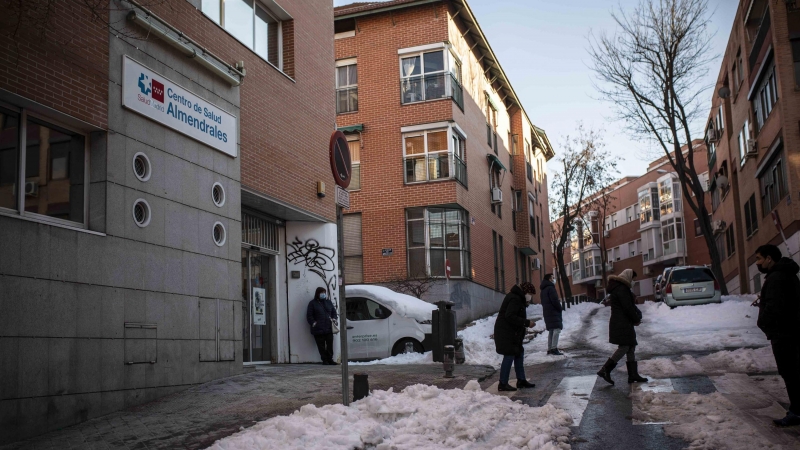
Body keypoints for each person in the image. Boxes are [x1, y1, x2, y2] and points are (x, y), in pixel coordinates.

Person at [752, 244, 800, 427]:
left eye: (759, 258)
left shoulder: (777, 278)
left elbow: (775, 307)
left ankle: (796, 412)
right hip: (790, 330)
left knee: (790, 373)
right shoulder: (787, 274)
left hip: (784, 333)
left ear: (769, 258)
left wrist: (762, 322)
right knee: (793, 372)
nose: (758, 262)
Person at [597, 269, 648, 385]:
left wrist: (636, 316)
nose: (634, 281)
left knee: (630, 346)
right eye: (633, 279)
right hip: (621, 323)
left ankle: (633, 375)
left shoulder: (620, 288)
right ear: (628, 277)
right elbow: (627, 307)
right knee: (625, 346)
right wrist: (635, 319)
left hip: (622, 322)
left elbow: (630, 306)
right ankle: (605, 369)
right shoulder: (622, 289)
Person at [494, 281, 538, 391]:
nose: (530, 297)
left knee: (519, 353)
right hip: (506, 332)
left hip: (512, 332)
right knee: (509, 354)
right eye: (530, 294)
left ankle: (521, 380)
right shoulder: (515, 298)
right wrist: (526, 323)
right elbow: (510, 316)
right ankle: (503, 383)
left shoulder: (518, 298)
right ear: (525, 291)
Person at [306, 287, 338, 365]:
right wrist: (313, 323)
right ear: (317, 293)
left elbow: (334, 312)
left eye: (324, 292)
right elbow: (309, 315)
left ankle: (330, 359)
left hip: (329, 328)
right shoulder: (312, 303)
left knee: (330, 345)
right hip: (318, 329)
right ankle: (325, 360)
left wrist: (334, 318)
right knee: (321, 346)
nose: (323, 294)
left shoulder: (328, 302)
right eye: (321, 292)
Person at [540, 274, 563, 355]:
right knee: (556, 329)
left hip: (547, 312)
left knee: (551, 330)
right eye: (553, 277)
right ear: (549, 279)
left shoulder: (543, 290)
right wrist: (560, 308)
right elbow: (555, 300)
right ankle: (554, 348)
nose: (554, 279)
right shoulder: (551, 288)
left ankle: (550, 349)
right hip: (553, 311)